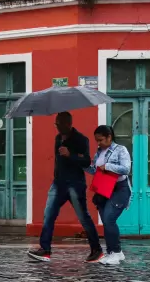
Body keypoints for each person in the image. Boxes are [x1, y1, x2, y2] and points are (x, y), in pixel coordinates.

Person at [28, 112, 103, 263]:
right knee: (48, 215)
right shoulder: (58, 138)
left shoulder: (81, 139)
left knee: (83, 217)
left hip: (75, 184)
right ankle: (45, 250)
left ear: (68, 124)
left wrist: (70, 155)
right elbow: (58, 161)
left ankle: (96, 250)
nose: (57, 128)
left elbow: (86, 161)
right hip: (58, 184)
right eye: (56, 124)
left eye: (60, 125)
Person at [86, 125, 132, 265]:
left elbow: (126, 169)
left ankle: (116, 252)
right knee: (106, 221)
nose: (98, 143)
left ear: (109, 137)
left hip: (119, 189)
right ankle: (113, 252)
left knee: (109, 218)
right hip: (104, 189)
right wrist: (83, 163)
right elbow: (95, 170)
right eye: (97, 140)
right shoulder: (99, 152)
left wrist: (107, 166)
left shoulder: (120, 150)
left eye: (101, 140)